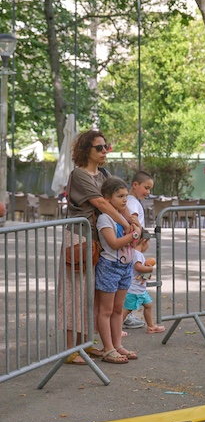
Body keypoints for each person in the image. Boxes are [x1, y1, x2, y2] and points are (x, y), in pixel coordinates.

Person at [59, 130, 140, 365]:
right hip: (79, 239)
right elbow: (102, 203)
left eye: (106, 147)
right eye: (100, 148)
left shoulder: (104, 173)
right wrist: (127, 225)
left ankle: (86, 344)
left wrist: (132, 221)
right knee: (75, 293)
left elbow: (116, 198)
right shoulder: (79, 175)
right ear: (87, 150)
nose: (105, 151)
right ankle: (70, 350)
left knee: (92, 296)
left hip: (97, 242)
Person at [92, 177, 141, 364]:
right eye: (119, 196)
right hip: (110, 266)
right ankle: (108, 348)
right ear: (107, 198)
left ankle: (117, 344)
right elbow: (113, 243)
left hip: (125, 266)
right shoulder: (105, 219)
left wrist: (135, 227)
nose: (124, 200)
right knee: (106, 310)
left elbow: (138, 236)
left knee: (118, 308)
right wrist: (133, 234)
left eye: (126, 196)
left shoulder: (125, 219)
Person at [123, 233, 164, 333]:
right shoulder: (137, 254)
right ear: (144, 241)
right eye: (148, 243)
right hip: (134, 289)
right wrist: (149, 269)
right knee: (127, 310)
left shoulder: (134, 253)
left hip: (140, 289)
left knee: (148, 305)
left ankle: (151, 326)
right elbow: (138, 267)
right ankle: (116, 329)